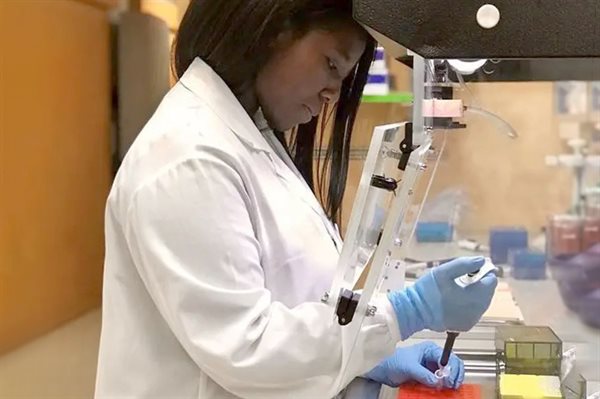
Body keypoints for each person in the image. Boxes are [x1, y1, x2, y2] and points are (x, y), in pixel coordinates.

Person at [95, 1, 498, 398]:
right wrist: (405, 313)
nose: (332, 95)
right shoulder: (188, 158)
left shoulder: (251, 137)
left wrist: (365, 356)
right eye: (331, 65)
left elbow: (297, 292)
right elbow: (247, 348)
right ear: (274, 29)